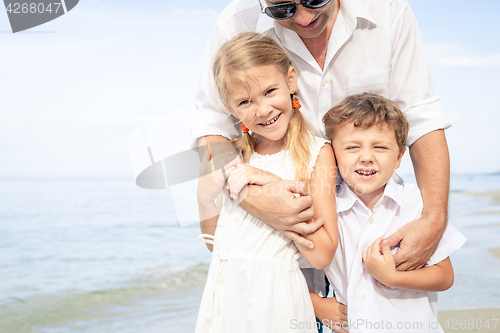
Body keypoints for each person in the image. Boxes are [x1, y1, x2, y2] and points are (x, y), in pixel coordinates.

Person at [191, 0, 451, 276]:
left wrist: (434, 218)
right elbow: (213, 123)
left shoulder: (388, 9)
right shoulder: (235, 22)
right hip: (290, 260)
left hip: (368, 220)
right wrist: (251, 196)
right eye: (283, 10)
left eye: (315, 0)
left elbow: (421, 116)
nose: (303, 18)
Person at [195, 32, 338, 332]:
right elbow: (219, 247)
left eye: (270, 91)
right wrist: (204, 200)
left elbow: (324, 253)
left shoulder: (317, 154)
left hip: (276, 307)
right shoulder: (234, 157)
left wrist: (272, 185)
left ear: (290, 80)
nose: (263, 110)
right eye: (245, 101)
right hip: (224, 300)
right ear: (229, 107)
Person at [309, 93, 466, 332]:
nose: (366, 157)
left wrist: (393, 277)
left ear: (399, 157)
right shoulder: (325, 210)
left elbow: (445, 276)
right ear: (332, 154)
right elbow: (288, 269)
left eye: (380, 147)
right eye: (352, 147)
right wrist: (317, 305)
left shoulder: (415, 203)